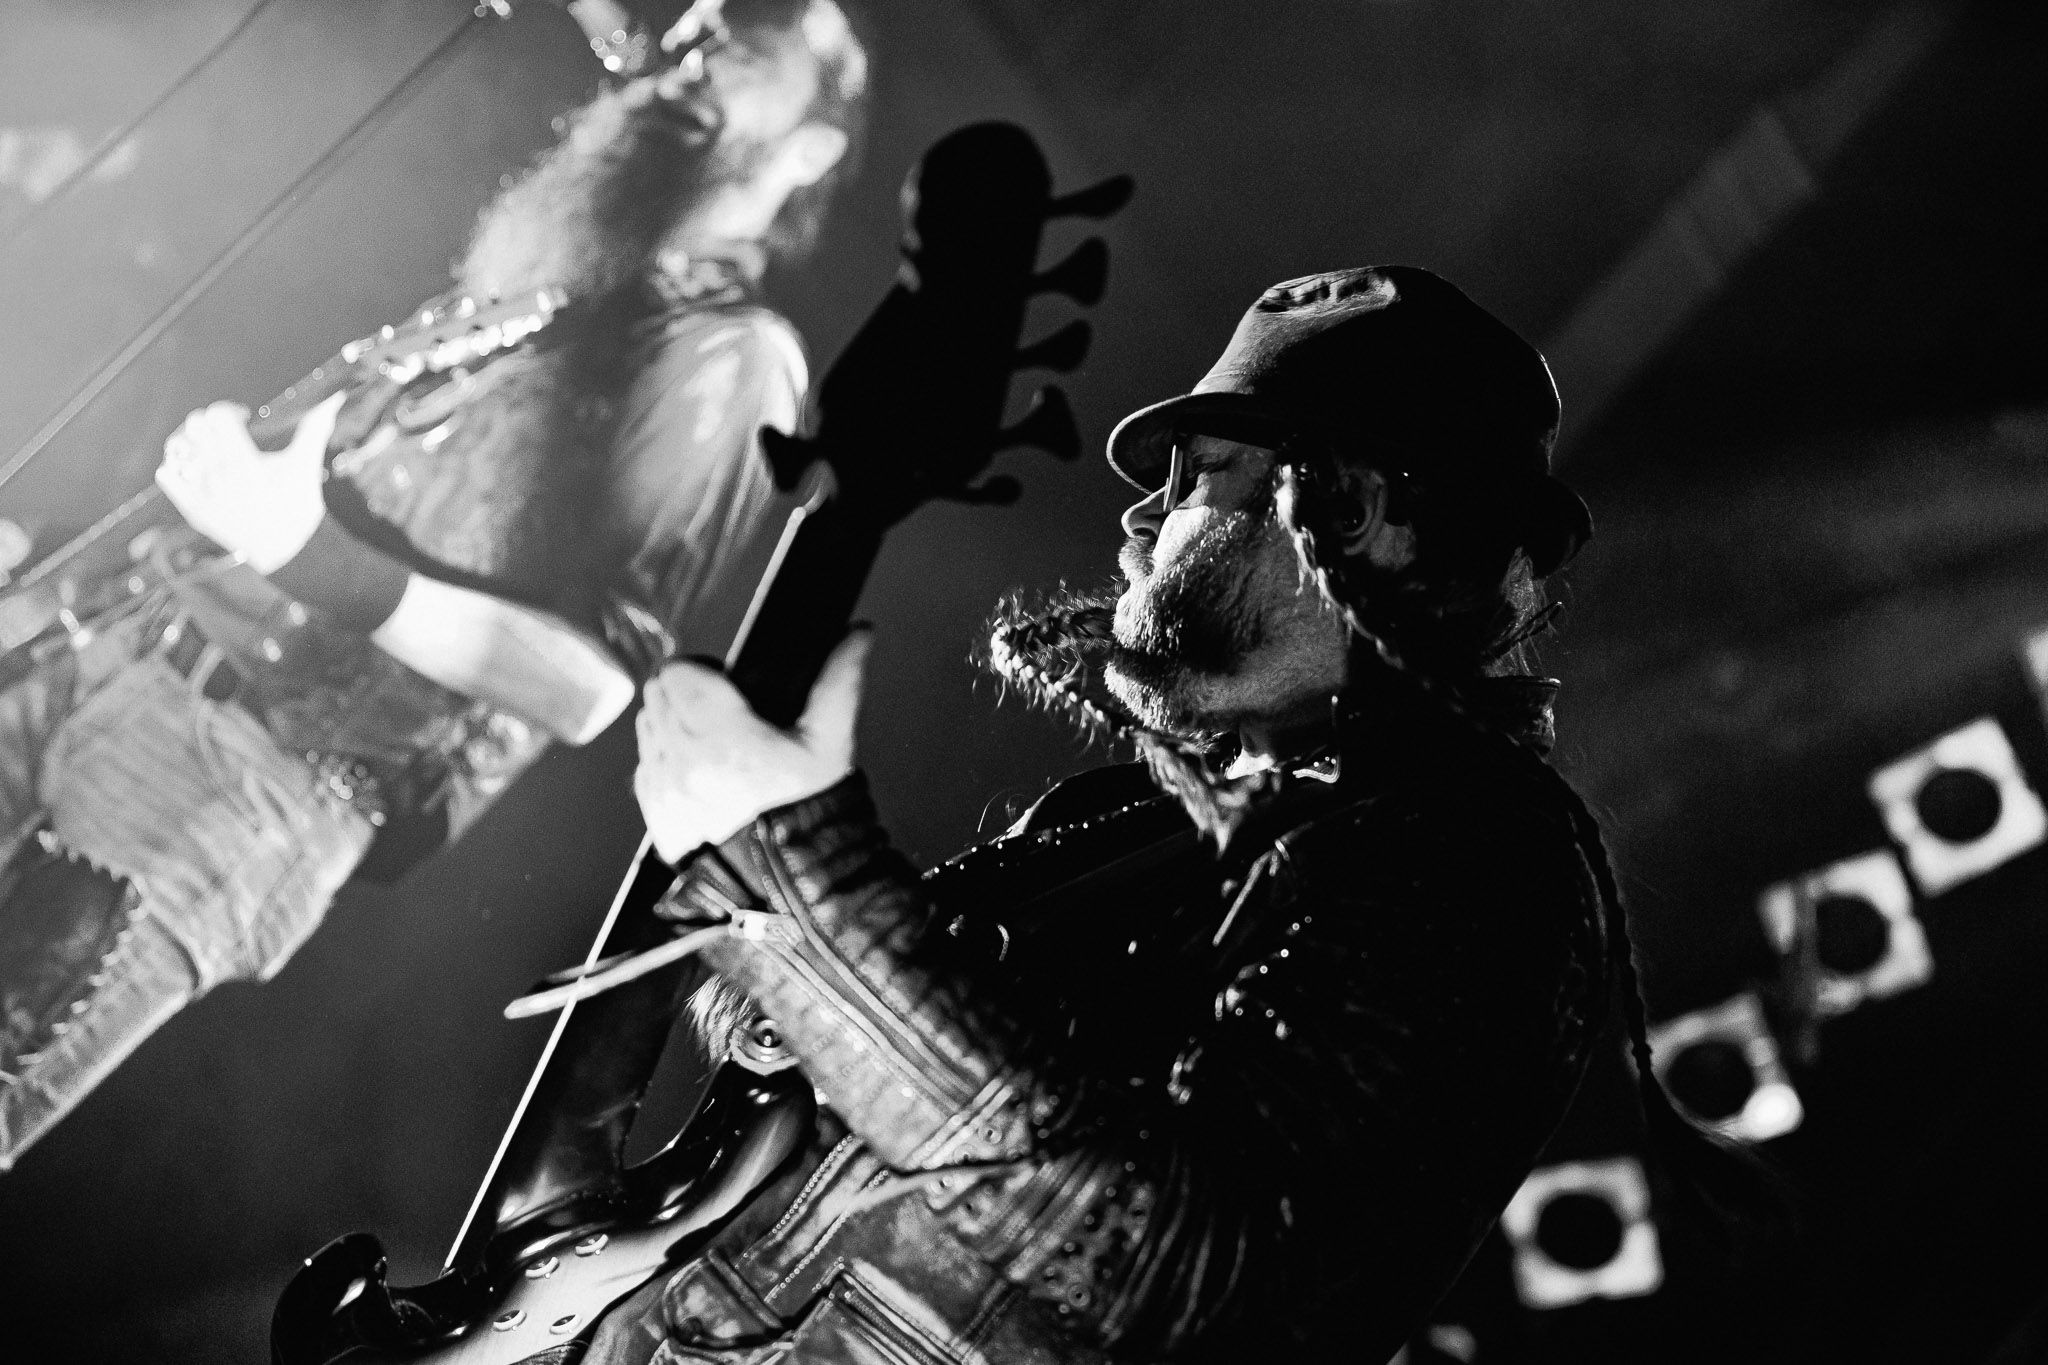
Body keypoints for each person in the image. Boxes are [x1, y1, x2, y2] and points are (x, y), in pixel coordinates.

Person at [601, 266, 1696, 1362]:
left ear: (1352, 512)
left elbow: (1177, 1274)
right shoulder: (1117, 815)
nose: (1136, 514)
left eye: (1194, 473)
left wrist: (807, 877)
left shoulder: (1486, 858)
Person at [0, 0, 869, 1170]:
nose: (690, 48)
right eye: (692, 26)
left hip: (234, 773)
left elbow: (584, 689)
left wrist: (305, 546)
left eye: (741, 47)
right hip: (97, 656)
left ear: (810, 146)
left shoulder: (732, 357)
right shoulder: (544, 290)